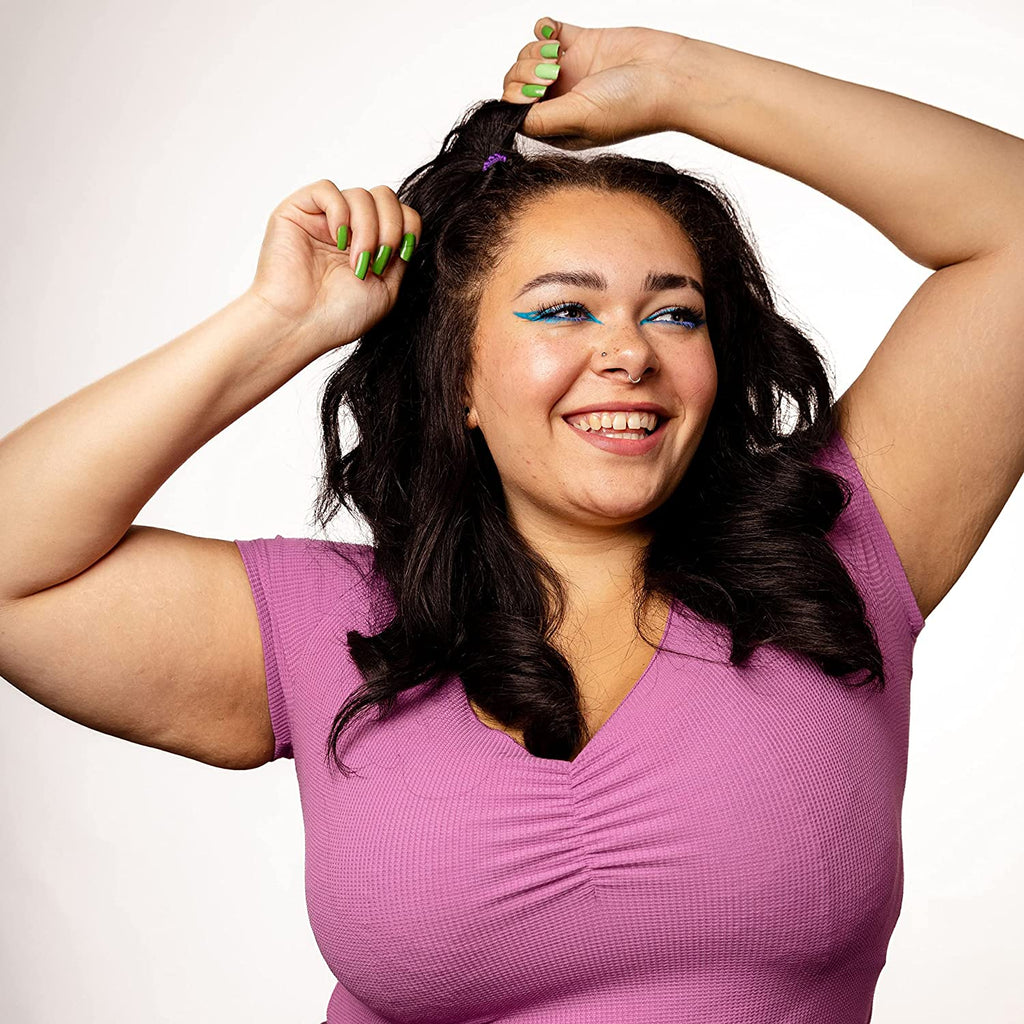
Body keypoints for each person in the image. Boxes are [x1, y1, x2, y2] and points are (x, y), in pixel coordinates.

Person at [1, 14, 1021, 1023]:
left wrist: (678, 80)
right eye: (563, 309)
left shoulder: (836, 554)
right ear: (460, 382)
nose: (629, 351)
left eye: (674, 312)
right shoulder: (332, 627)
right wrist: (279, 323)